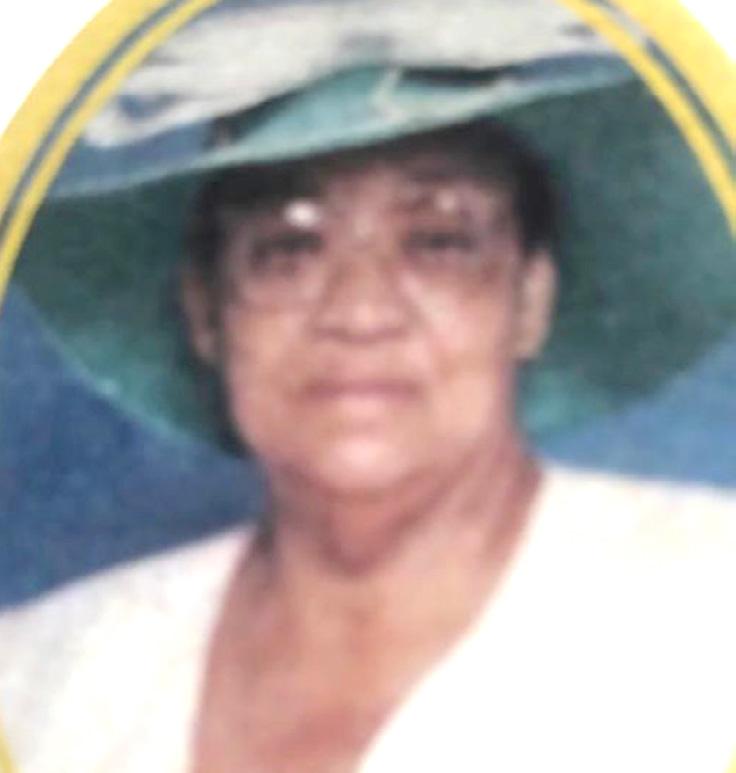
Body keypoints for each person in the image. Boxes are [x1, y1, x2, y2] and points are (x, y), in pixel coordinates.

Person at [1, 4, 735, 772]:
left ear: (530, 299)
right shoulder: (39, 676)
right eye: (287, 248)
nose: (359, 312)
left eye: (438, 242)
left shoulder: (715, 611)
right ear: (205, 312)